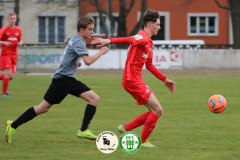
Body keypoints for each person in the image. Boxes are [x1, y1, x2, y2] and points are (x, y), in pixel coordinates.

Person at [5, 15, 109, 143]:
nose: (92, 32)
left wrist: (75, 61)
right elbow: (87, 61)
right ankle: (13, 125)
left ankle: (14, 123)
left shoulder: (73, 38)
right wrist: (101, 52)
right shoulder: (79, 41)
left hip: (65, 80)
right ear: (81, 30)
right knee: (92, 99)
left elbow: (66, 42)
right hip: (63, 80)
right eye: (90, 29)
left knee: (44, 108)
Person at [91, 9, 176, 148]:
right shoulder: (142, 37)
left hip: (135, 80)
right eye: (158, 24)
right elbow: (129, 39)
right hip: (132, 81)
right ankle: (142, 141)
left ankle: (126, 128)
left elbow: (149, 65)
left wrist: (165, 79)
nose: (160, 27)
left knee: (155, 111)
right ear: (149, 24)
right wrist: (108, 40)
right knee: (158, 110)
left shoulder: (149, 43)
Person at [0, 13, 22, 97]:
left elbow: (20, 40)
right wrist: (4, 42)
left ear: (16, 19)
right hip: (5, 54)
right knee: (8, 74)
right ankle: (4, 93)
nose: (12, 20)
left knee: (11, 76)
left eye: (14, 18)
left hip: (14, 55)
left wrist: (20, 43)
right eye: (11, 18)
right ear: (7, 20)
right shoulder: (3, 29)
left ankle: (4, 92)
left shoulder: (18, 29)